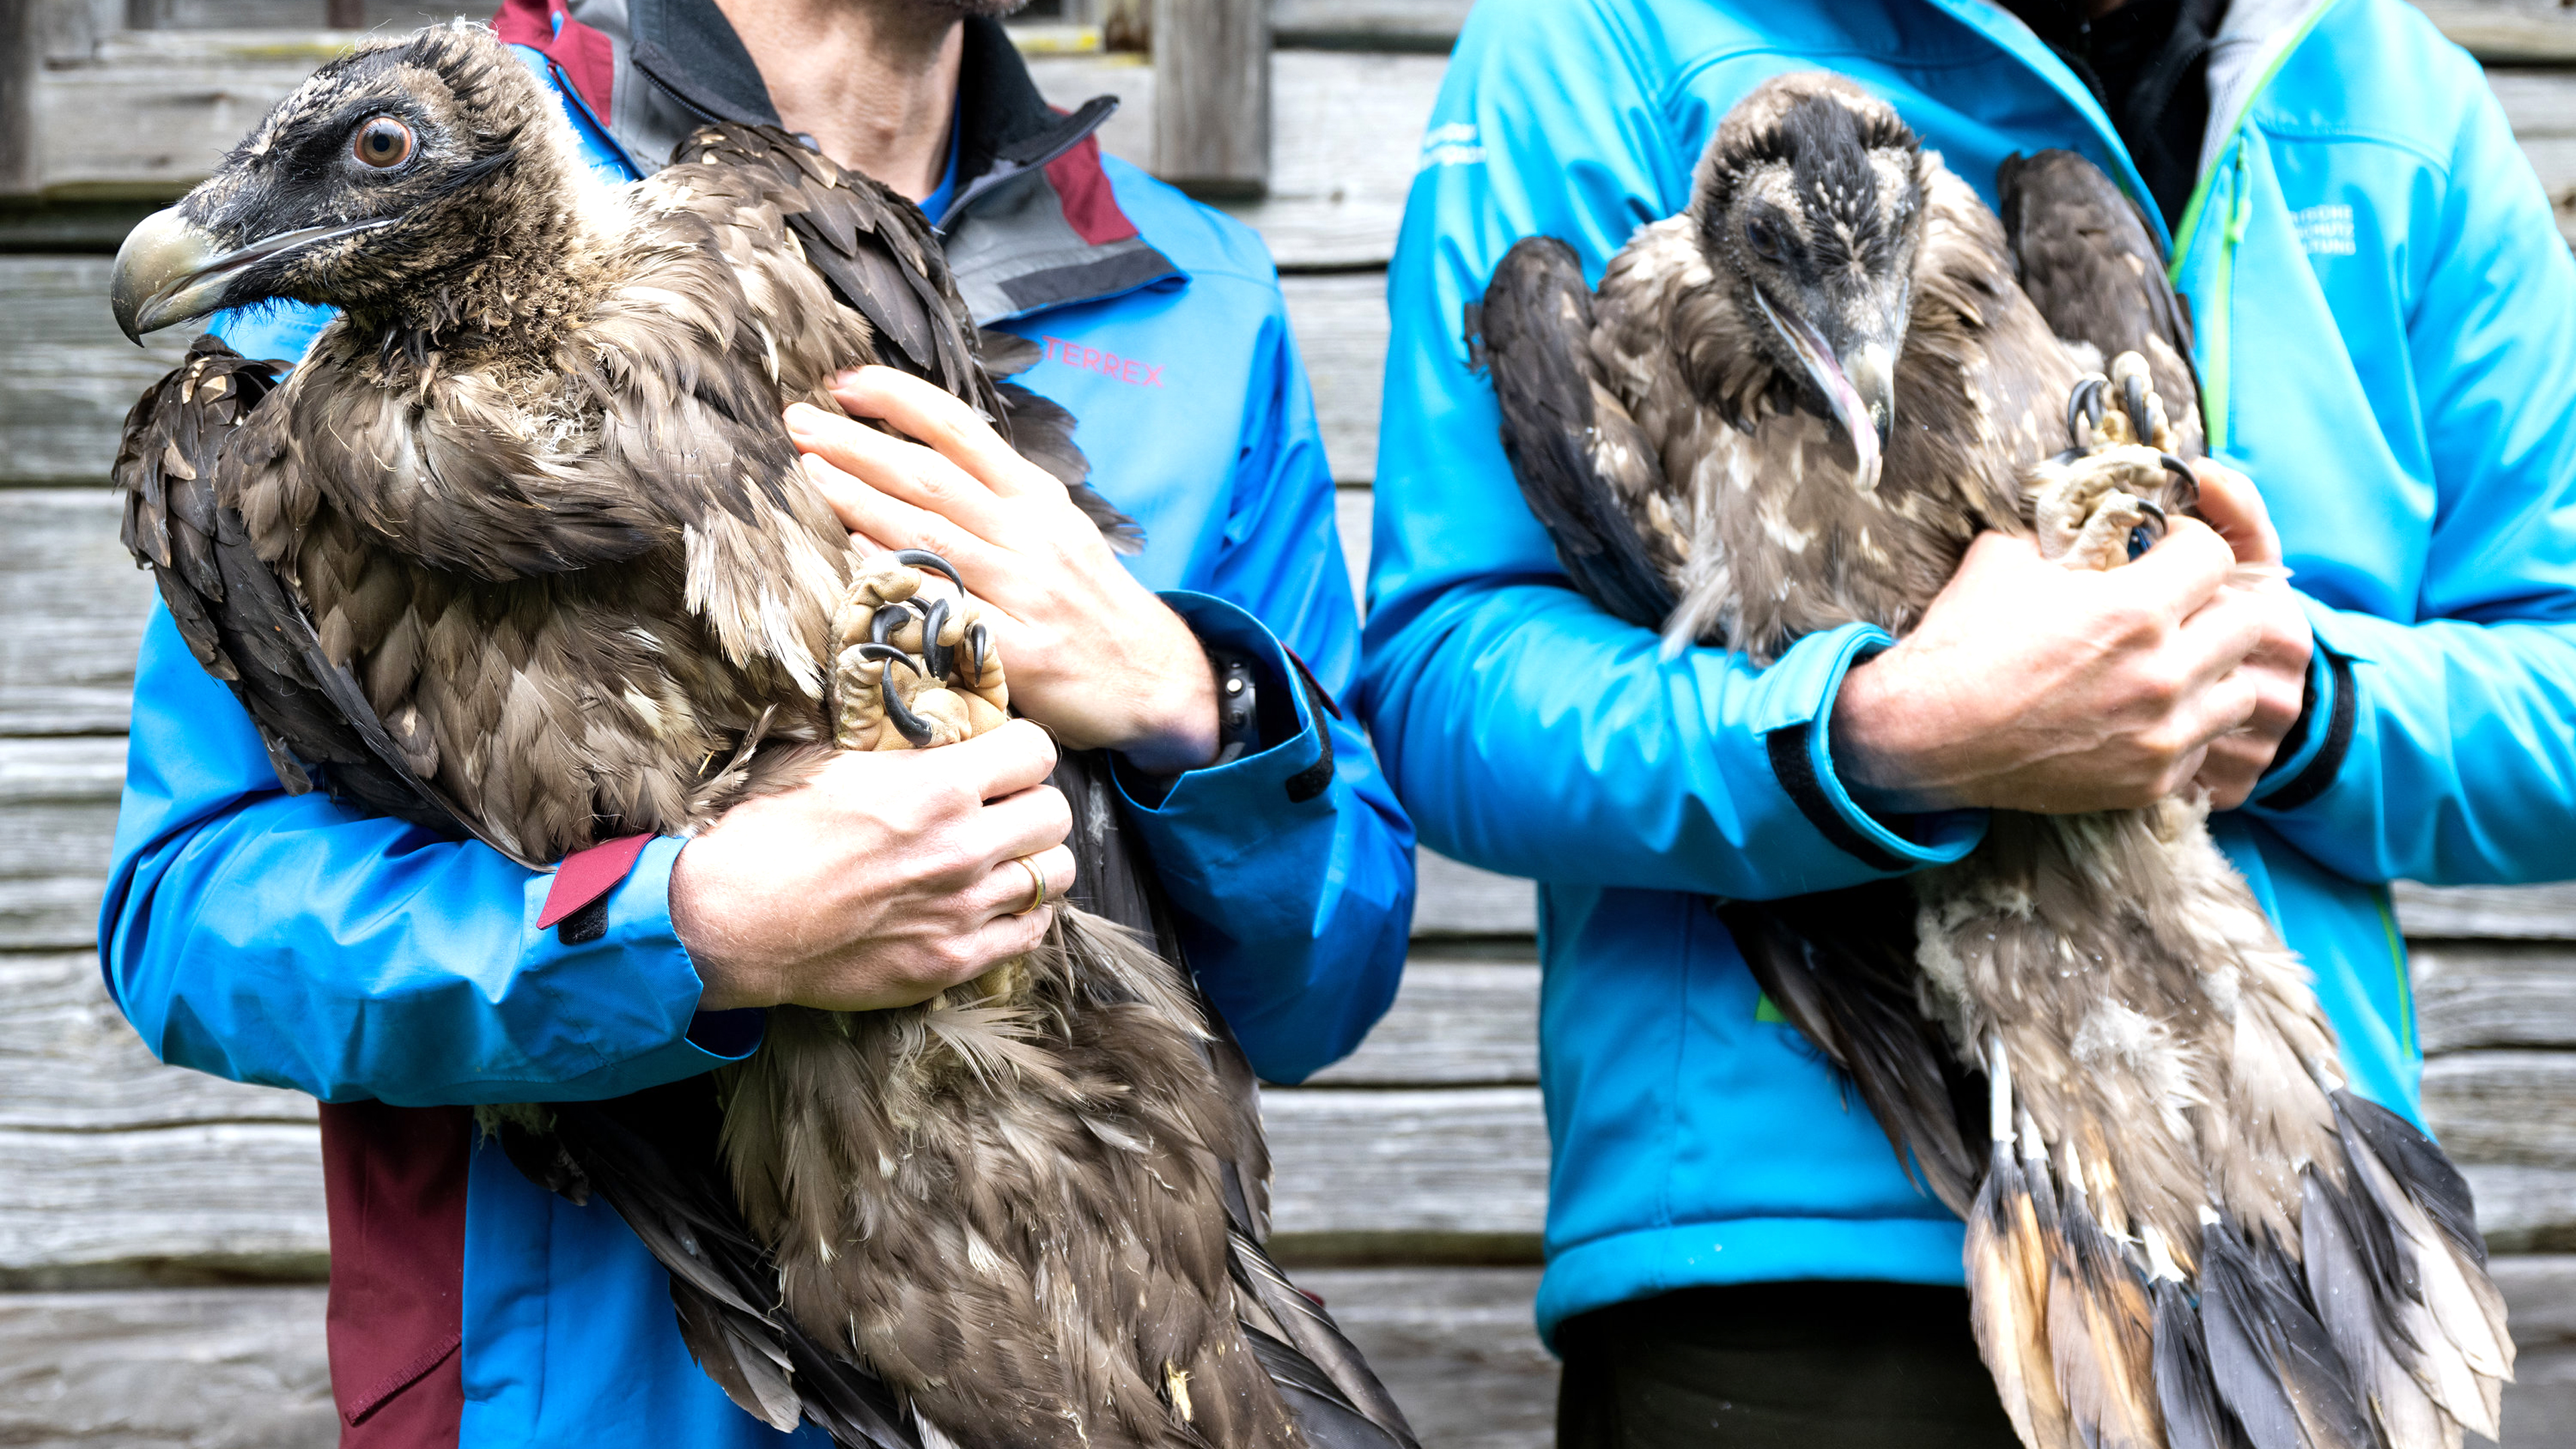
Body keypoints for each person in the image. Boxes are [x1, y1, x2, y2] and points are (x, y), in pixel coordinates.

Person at [97, 1, 1415, 1442]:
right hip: (594, 1384)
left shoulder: (1193, 292)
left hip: (1061, 1313)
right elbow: (195, 923)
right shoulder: (395, 193)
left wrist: (1184, 696)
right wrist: (687, 934)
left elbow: (1319, 985)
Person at [1359, 0, 2576, 1444]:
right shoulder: (1603, 35)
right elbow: (1453, 676)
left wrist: (2287, 703)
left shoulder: (2392, 91)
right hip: (1790, 1268)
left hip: (2270, 1192)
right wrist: (1869, 737)